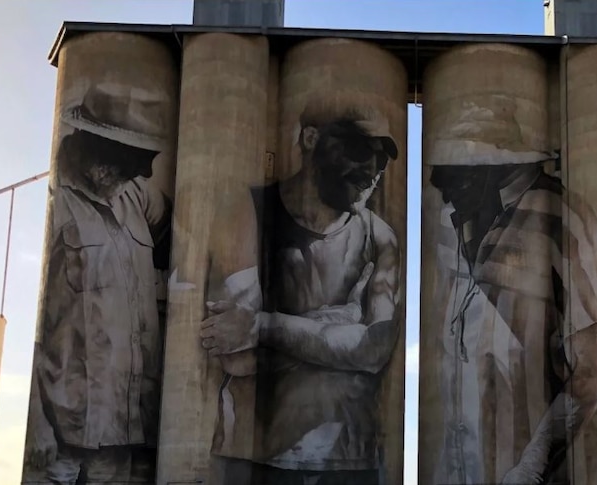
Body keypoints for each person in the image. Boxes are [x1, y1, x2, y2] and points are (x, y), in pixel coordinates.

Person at [199, 104, 402, 485]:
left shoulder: (380, 237)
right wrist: (342, 321)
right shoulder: (248, 212)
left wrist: (262, 325)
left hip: (351, 462)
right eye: (360, 150)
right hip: (253, 457)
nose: (373, 170)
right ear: (311, 139)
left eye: (381, 158)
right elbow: (237, 359)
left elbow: (373, 350)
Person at [425, 97, 597, 485]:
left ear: (498, 167)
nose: (444, 194)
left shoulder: (558, 215)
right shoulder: (462, 229)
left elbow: (596, 361)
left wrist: (532, 465)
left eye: (456, 178)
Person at [23, 82, 173, 484]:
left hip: (122, 435)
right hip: (60, 440)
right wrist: (36, 424)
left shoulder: (134, 196)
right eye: (132, 160)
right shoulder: (60, 205)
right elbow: (37, 325)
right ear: (97, 146)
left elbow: (186, 217)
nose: (141, 172)